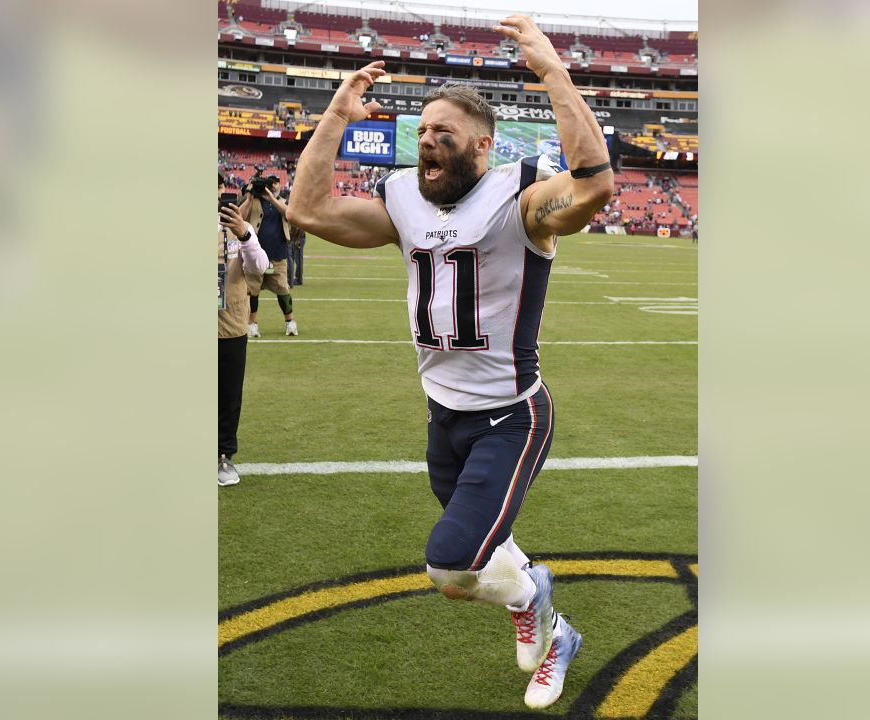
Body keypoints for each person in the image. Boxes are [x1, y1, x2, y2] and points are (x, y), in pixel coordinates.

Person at [286, 14, 613, 711]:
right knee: (487, 557)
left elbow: (593, 190)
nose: (429, 141)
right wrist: (337, 114)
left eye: (446, 134)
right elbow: (308, 210)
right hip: (443, 416)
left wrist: (553, 72)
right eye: (424, 131)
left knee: (452, 565)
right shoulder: (405, 197)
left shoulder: (519, 199)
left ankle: (535, 599)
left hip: (509, 415)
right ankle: (556, 630)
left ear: (483, 146)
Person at [218, 173, 270, 486]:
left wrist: (244, 236)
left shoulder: (240, 228)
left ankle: (223, 457)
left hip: (231, 325)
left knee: (228, 396)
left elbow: (259, 266)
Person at [242, 181, 298, 337]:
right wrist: (250, 196)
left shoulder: (281, 201)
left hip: (277, 256)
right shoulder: (253, 202)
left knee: (283, 290)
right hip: (255, 257)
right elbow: (242, 215)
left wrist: (271, 198)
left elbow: (289, 214)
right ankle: (252, 324)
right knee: (252, 291)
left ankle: (290, 322)